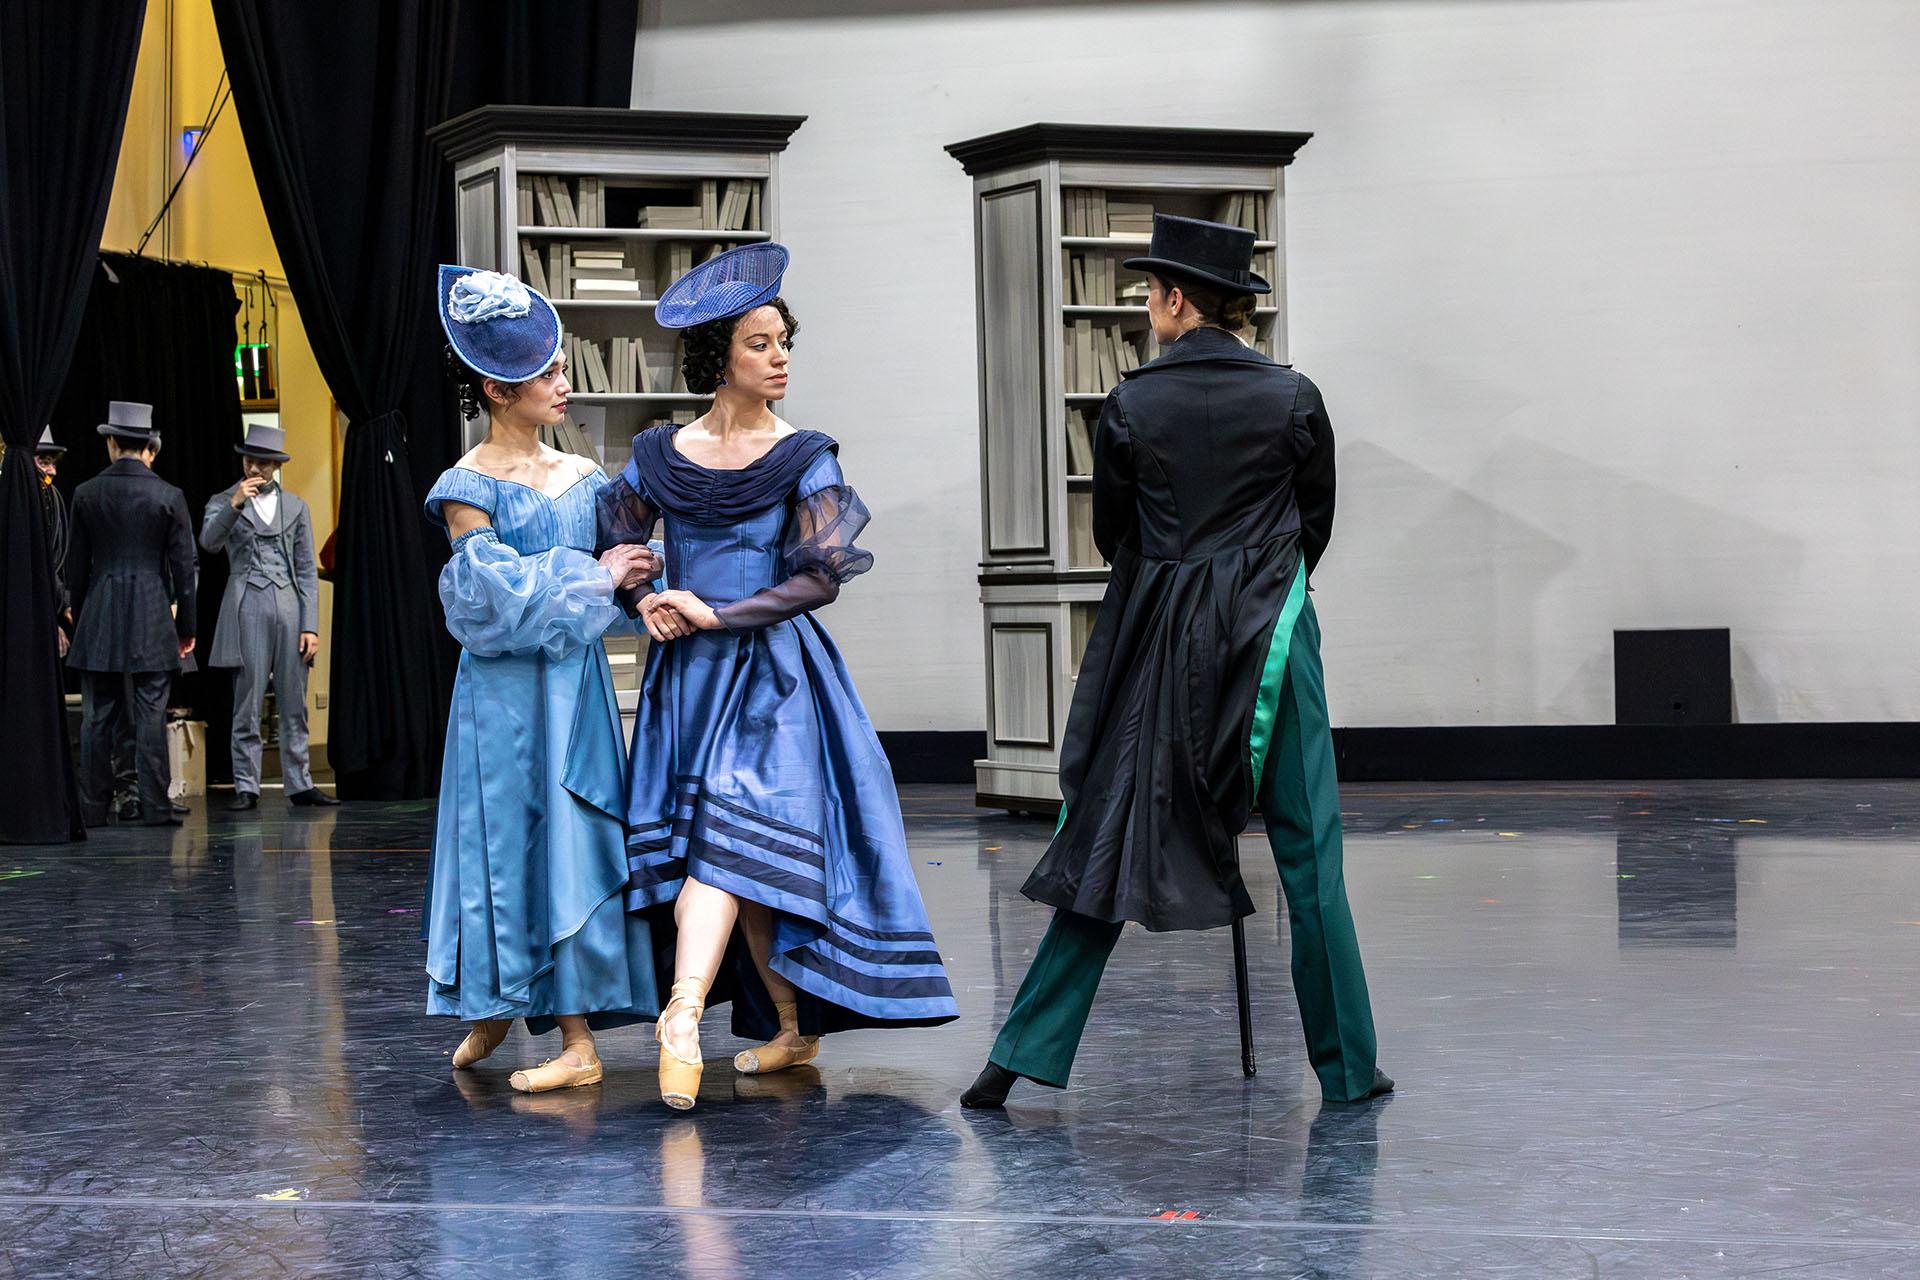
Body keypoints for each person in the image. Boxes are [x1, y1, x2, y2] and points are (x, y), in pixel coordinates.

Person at [962, 215, 1392, 1108]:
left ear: (1175, 299)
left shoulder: (1128, 405)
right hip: (1273, 635)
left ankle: (1016, 1059)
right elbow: (1316, 524)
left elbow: (1115, 535)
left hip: (1162, 644)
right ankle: (1349, 1070)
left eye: (1151, 290)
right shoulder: (1295, 397)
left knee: (1114, 832)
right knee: (1311, 852)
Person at [602, 243, 958, 1111]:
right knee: (737, 852)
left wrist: (718, 612)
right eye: (761, 343)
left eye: (783, 341)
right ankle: (791, 1027)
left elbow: (820, 575)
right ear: (718, 355)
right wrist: (646, 594)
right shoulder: (660, 452)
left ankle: (682, 1019)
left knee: (727, 844)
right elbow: (614, 538)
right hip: (687, 685)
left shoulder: (803, 453)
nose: (780, 356)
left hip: (775, 683)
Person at [424, 265, 662, 1093]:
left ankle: (577, 1038)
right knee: (502, 841)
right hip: (501, 697)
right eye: (548, 373)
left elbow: (625, 577)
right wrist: (596, 575)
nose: (564, 384)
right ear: (498, 388)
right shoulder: (467, 486)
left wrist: (636, 585)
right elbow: (490, 602)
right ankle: (495, 1000)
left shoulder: (585, 477)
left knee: (570, 835)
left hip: (574, 689)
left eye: (562, 368)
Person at [65, 401, 197, 828]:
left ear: (110, 443)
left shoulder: (86, 493)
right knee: (151, 717)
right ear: (148, 446)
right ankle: (157, 806)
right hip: (151, 617)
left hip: (99, 614)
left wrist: (82, 620)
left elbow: (75, 568)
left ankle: (93, 809)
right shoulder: (169, 495)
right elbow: (184, 571)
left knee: (96, 718)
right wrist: (187, 627)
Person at [201, 423, 336, 810]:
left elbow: (307, 568)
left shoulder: (296, 506)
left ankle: (300, 782)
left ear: (276, 465)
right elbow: (209, 542)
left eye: (263, 461)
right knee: (248, 699)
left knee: (294, 700)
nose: (255, 468)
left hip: (289, 605)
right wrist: (234, 504)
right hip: (247, 604)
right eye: (250, 459)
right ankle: (247, 784)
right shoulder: (223, 500)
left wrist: (311, 624)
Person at [30, 427, 73, 658]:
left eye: (53, 463)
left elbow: (51, 563)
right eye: (44, 462)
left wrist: (64, 602)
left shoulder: (52, 499)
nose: (52, 471)